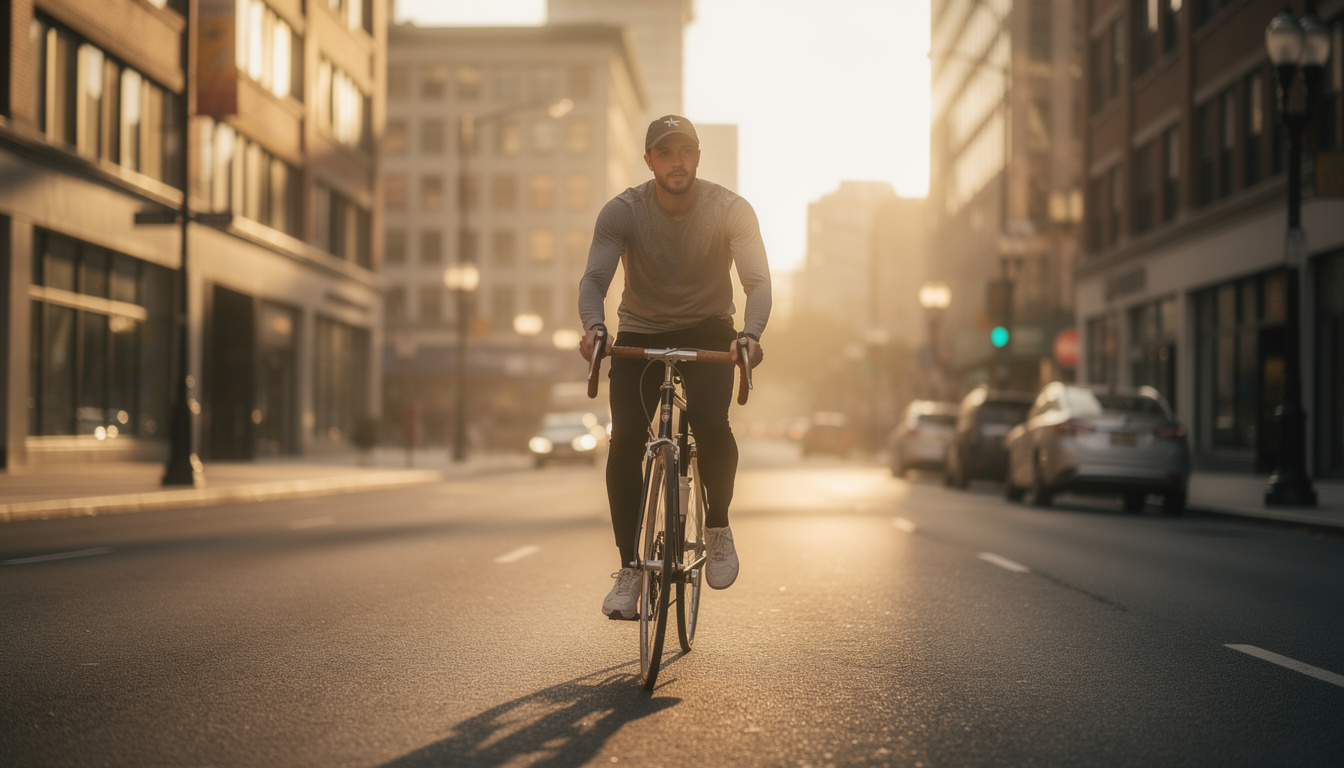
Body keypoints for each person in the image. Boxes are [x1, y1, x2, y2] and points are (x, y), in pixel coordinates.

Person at [578, 115, 771, 619]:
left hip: (709, 329)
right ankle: (629, 570)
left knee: (711, 423)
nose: (676, 161)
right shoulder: (623, 211)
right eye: (665, 153)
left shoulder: (730, 209)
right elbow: (595, 278)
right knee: (624, 442)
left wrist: (750, 336)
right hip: (641, 330)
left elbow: (758, 282)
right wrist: (596, 329)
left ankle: (719, 526)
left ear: (699, 157)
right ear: (649, 162)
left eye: (685, 150)